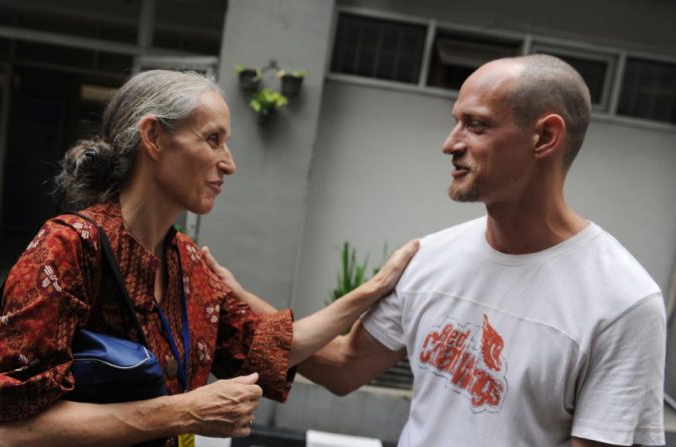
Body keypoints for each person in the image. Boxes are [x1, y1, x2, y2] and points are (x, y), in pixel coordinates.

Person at [206, 54, 667, 446]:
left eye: (477, 125)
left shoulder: (623, 301)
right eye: (456, 123)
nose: (451, 144)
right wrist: (242, 302)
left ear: (544, 137)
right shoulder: (429, 258)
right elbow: (346, 368)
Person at [0, 70, 419, 447]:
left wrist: (372, 290)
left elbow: (265, 347)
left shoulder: (188, 262)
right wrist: (186, 412)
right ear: (152, 137)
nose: (228, 162)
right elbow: (11, 431)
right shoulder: (67, 247)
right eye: (213, 139)